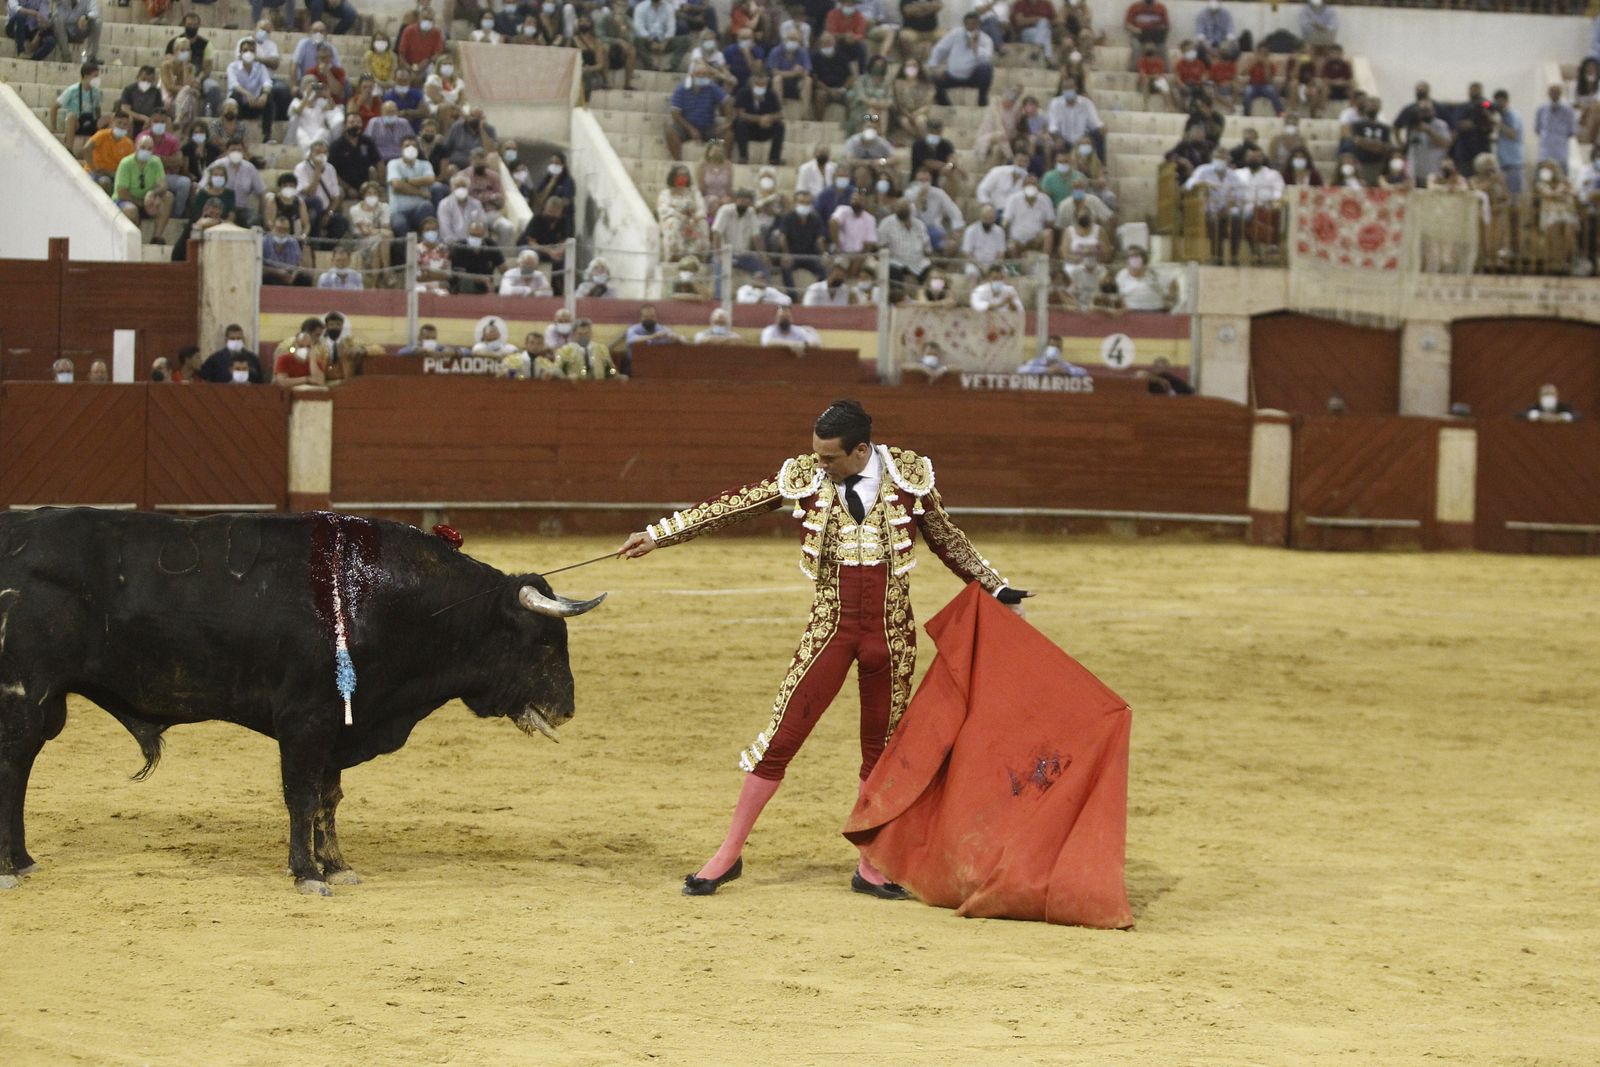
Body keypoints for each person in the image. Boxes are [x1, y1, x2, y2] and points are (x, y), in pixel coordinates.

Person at [618, 400, 1029, 899]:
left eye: (830, 458)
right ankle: (728, 854)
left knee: (880, 751)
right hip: (829, 630)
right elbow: (732, 505)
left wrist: (996, 588)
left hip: (891, 635)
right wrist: (659, 535)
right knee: (780, 738)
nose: (819, 466)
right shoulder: (806, 477)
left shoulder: (909, 476)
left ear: (861, 451)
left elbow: (946, 538)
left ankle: (871, 867)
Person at [928, 13, 993, 108]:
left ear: (979, 24)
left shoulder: (986, 39)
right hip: (952, 76)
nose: (971, 27)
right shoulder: (955, 33)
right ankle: (946, 106)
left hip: (972, 77)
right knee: (932, 78)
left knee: (987, 68)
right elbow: (939, 48)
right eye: (968, 24)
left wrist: (976, 48)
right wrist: (934, 66)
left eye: (974, 24)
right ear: (964, 24)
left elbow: (987, 58)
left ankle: (982, 100)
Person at [733, 70, 785, 166]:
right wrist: (759, 119)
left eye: (763, 84)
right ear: (751, 84)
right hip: (749, 129)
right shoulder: (743, 93)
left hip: (765, 128)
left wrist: (769, 118)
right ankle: (743, 157)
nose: (760, 87)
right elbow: (740, 114)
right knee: (740, 124)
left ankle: (774, 158)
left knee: (779, 126)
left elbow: (780, 114)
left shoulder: (771, 94)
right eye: (758, 84)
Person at [615, 305, 683, 374]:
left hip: (658, 365)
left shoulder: (663, 329)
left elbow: (681, 339)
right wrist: (653, 336)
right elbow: (631, 339)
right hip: (633, 365)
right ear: (641, 318)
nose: (649, 319)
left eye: (652, 317)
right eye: (646, 317)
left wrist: (675, 337)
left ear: (656, 317)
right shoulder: (633, 329)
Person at [552, 319, 619, 380]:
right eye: (580, 334)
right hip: (575, 389)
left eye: (586, 333)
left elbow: (611, 370)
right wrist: (567, 378)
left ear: (591, 333)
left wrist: (618, 377)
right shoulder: (565, 350)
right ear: (574, 334)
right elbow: (556, 370)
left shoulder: (601, 349)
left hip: (598, 388)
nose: (584, 337)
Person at [198, 323, 265, 383]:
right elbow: (205, 379)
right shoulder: (215, 359)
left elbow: (260, 381)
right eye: (232, 338)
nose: (236, 341)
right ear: (226, 340)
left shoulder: (252, 358)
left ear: (243, 339)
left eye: (239, 338)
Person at [1535, 85, 1576, 175]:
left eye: (1556, 93)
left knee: (1562, 180)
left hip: (1560, 153)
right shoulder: (1541, 109)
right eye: (1552, 93)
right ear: (1548, 94)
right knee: (1542, 181)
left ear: (1560, 94)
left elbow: (1571, 132)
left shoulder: (1568, 110)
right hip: (1545, 153)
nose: (1554, 95)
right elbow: (1537, 129)